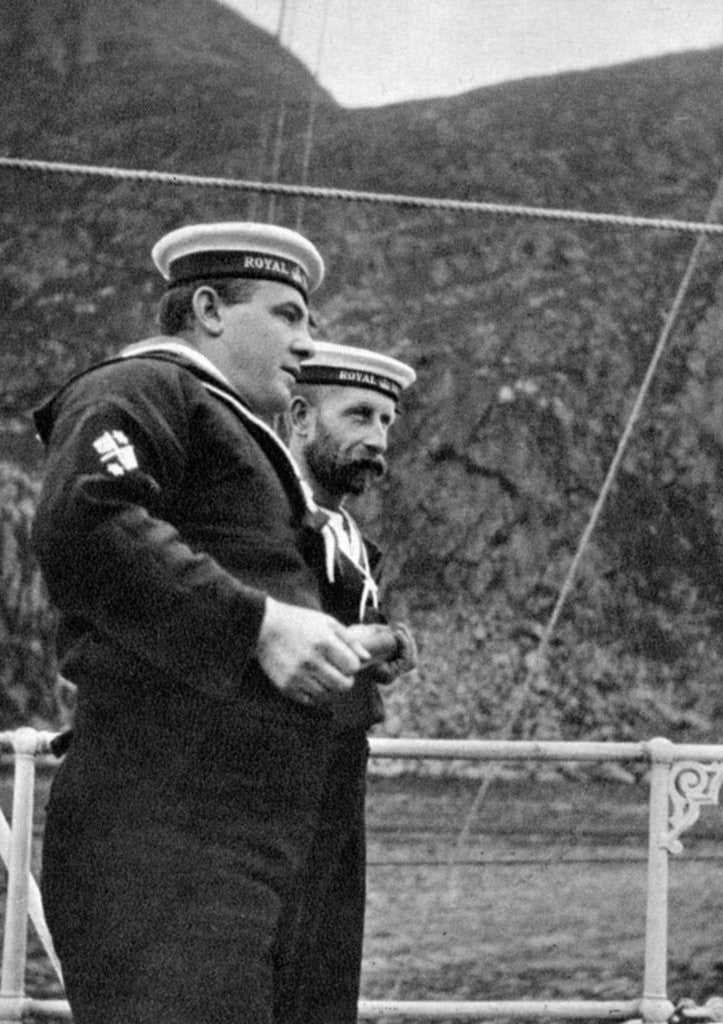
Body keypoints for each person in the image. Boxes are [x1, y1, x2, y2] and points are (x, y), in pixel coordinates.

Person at [31, 222, 398, 1024]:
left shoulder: (248, 442)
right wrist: (261, 627)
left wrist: (328, 636)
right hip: (170, 830)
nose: (308, 343)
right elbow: (83, 520)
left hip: (269, 830)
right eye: (289, 315)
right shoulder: (140, 388)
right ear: (207, 308)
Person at [275, 340, 418, 1024]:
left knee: (329, 961)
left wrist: (387, 637)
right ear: (300, 417)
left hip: (340, 763)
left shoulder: (350, 538)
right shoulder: (267, 519)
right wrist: (383, 641)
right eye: (359, 415)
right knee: (276, 958)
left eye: (386, 423)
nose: (376, 440)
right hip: (277, 766)